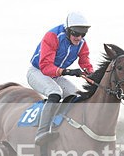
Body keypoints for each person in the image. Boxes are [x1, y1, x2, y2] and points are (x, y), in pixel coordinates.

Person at [28, 11, 95, 145]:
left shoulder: (82, 43)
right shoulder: (52, 36)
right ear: (67, 30)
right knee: (55, 93)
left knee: (76, 95)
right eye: (75, 33)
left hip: (55, 74)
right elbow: (46, 67)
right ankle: (41, 132)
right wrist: (68, 71)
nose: (79, 37)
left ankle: (62, 124)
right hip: (38, 71)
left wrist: (91, 74)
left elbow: (85, 62)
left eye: (83, 34)